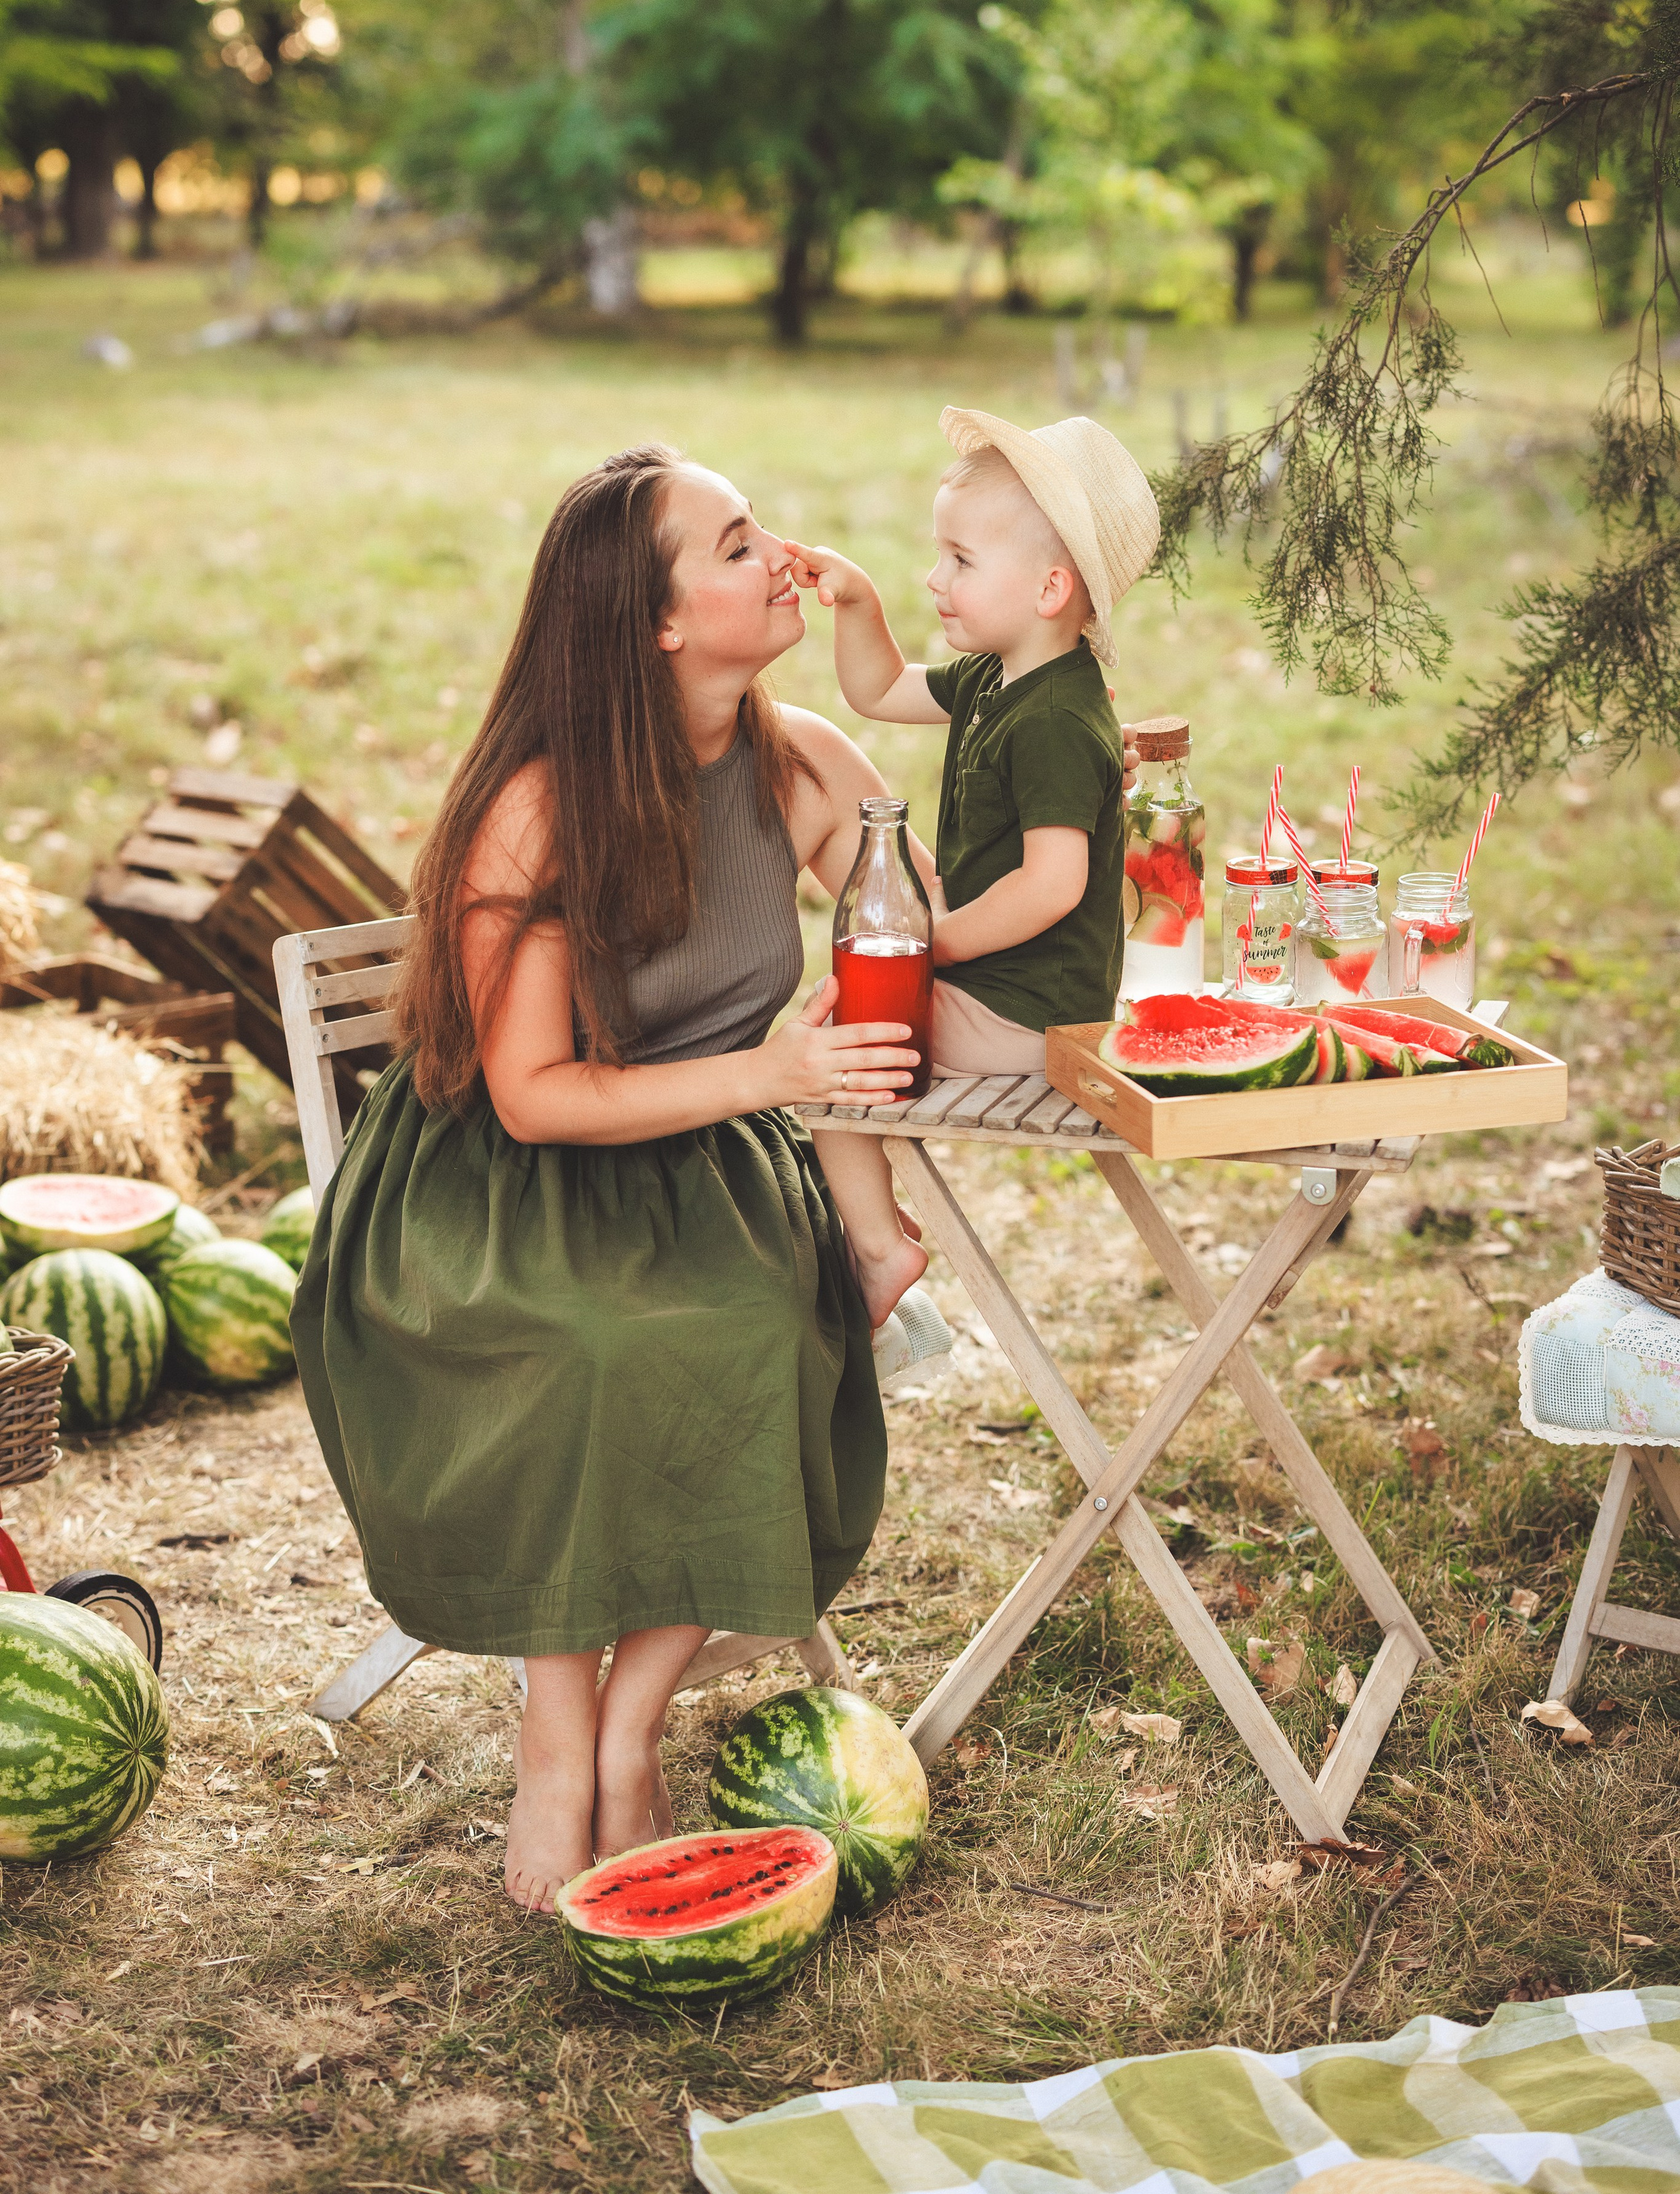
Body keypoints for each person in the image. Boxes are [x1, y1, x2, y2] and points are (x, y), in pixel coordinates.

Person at [290, 444, 932, 1916]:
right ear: (657, 623)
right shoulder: (540, 809)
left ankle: (624, 1728)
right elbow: (534, 1092)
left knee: (757, 1332)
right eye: (736, 545)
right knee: (589, 1348)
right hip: (501, 1180)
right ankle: (553, 1731)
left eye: (762, 528)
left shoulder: (808, 767)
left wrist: (1069, 788)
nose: (782, 555)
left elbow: (924, 947)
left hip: (702, 1163)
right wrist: (775, 1070)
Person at [784, 405, 1157, 1330]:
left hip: (1025, 1011)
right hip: (999, 987)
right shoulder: (1000, 677)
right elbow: (879, 690)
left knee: (830, 1051)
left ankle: (880, 1249)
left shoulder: (1058, 721)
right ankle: (875, 1226)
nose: (935, 578)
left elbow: (1053, 884)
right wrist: (860, 605)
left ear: (1049, 588)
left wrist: (930, 943)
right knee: (840, 1028)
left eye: (960, 559)